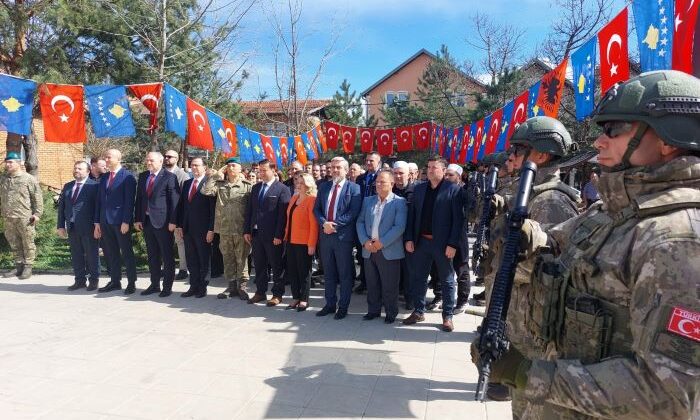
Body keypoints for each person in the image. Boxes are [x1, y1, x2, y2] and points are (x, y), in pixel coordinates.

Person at [476, 70, 700, 419]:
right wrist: (524, 236)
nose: (599, 142)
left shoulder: (677, 239)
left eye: (615, 129)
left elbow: (668, 394)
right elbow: (555, 247)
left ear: (669, 137)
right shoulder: (611, 211)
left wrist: (527, 374)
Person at [403, 156, 463, 332]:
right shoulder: (419, 189)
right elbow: (411, 216)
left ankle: (447, 316)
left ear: (444, 171)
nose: (430, 170)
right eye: (428, 167)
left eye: (434, 167)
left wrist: (453, 244)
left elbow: (458, 221)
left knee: (447, 280)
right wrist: (409, 238)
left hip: (443, 244)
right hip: (421, 241)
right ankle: (419, 310)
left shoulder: (453, 190)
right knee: (419, 278)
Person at [313, 157, 361, 320]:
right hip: (325, 237)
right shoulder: (324, 187)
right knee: (329, 273)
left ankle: (343, 306)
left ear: (346, 170)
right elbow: (317, 209)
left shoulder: (354, 188)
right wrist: (324, 223)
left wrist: (334, 225)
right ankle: (330, 304)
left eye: (338, 167)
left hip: (342, 237)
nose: (334, 170)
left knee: (345, 274)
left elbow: (353, 212)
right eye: (332, 167)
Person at [356, 170, 407, 324]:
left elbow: (399, 226)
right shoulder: (368, 201)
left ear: (391, 184)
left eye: (382, 182)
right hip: (369, 249)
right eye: (377, 182)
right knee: (372, 283)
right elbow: (360, 222)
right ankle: (373, 310)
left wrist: (381, 242)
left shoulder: (399, 202)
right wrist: (365, 241)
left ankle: (391, 312)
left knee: (389, 284)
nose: (378, 184)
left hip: (388, 250)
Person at [202, 157, 252, 300]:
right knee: (227, 258)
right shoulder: (220, 184)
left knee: (241, 258)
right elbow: (206, 191)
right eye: (228, 166)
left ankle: (242, 287)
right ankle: (231, 286)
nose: (230, 168)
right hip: (224, 229)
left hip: (240, 229)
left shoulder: (247, 186)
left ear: (240, 168)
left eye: (234, 166)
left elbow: (251, 209)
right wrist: (217, 174)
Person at [243, 159, 291, 306]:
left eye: (264, 170)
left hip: (273, 236)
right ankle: (260, 292)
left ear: (273, 170)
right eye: (260, 170)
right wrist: (247, 230)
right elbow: (250, 211)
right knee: (259, 265)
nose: (261, 173)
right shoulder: (256, 188)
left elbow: (283, 215)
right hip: (256, 234)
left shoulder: (282, 189)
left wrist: (278, 235)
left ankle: (277, 294)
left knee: (276, 266)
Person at [134, 152, 180, 297]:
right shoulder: (143, 176)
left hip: (164, 223)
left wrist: (173, 221)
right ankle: (154, 284)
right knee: (152, 255)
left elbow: (175, 201)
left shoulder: (169, 177)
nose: (148, 162)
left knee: (167, 256)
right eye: (147, 160)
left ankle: (167, 286)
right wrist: (138, 218)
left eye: (151, 160)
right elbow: (139, 199)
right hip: (147, 222)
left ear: (160, 161)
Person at [95, 149, 137, 294]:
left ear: (118, 159)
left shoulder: (128, 177)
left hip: (120, 222)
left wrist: (126, 221)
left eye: (109, 157)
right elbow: (99, 201)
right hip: (105, 221)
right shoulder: (105, 177)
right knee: (111, 253)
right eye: (105, 157)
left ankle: (131, 282)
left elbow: (129, 202)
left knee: (126, 252)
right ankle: (115, 281)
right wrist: (97, 223)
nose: (106, 160)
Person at [0, 152, 43, 280]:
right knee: (14, 242)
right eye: (6, 162)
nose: (8, 165)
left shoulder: (28, 178)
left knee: (28, 242)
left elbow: (37, 197)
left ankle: (28, 267)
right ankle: (19, 266)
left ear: (19, 163)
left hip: (25, 217)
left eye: (10, 162)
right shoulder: (3, 178)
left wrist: (37, 214)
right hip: (8, 217)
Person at [57, 161, 100, 290]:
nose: (77, 170)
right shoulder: (68, 186)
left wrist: (98, 225)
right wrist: (60, 225)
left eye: (80, 169)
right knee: (76, 254)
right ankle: (79, 280)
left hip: (89, 227)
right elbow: (62, 207)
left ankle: (94, 280)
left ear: (88, 171)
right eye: (75, 168)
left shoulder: (94, 186)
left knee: (92, 254)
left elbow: (98, 207)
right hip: (72, 227)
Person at [176, 158, 215, 298]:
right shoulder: (187, 183)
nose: (194, 168)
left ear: (205, 167)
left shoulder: (209, 183)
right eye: (192, 165)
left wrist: (211, 229)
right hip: (187, 228)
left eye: (197, 165)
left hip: (203, 229)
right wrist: (180, 225)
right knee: (191, 258)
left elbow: (212, 209)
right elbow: (182, 206)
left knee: (203, 259)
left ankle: (202, 287)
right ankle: (193, 285)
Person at [284, 173, 318, 312]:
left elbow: (314, 224)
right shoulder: (294, 198)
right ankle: (295, 297)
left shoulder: (312, 200)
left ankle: (304, 299)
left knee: (304, 272)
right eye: (297, 182)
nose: (298, 185)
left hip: (304, 242)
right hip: (291, 240)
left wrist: (311, 244)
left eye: (301, 183)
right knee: (292, 270)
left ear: (308, 185)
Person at [353, 152, 382, 294]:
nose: (369, 163)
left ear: (379, 162)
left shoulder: (382, 177)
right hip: (361, 216)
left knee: (376, 251)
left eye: (372, 160)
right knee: (362, 251)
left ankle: (378, 284)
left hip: (377, 216)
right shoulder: (360, 178)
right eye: (367, 160)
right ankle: (364, 281)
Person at [444, 163, 470, 313]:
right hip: (445, 236)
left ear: (459, 177)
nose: (447, 178)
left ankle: (462, 300)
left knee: (461, 268)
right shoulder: (444, 191)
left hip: (459, 238)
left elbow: (461, 219)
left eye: (451, 175)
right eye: (446, 174)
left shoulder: (461, 193)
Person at [164, 149, 191, 280]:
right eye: (165, 156)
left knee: (180, 242)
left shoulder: (182, 175)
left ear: (176, 158)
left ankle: (183, 269)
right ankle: (166, 268)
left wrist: (180, 220)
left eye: (170, 156)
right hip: (162, 215)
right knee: (164, 243)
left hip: (177, 214)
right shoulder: (161, 173)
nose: (166, 158)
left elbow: (184, 198)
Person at [392, 160, 415, 309]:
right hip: (391, 237)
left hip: (408, 237)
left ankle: (410, 299)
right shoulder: (389, 190)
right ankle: (390, 298)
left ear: (409, 175)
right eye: (396, 173)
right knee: (392, 270)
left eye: (401, 173)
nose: (398, 176)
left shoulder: (417, 191)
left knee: (409, 271)